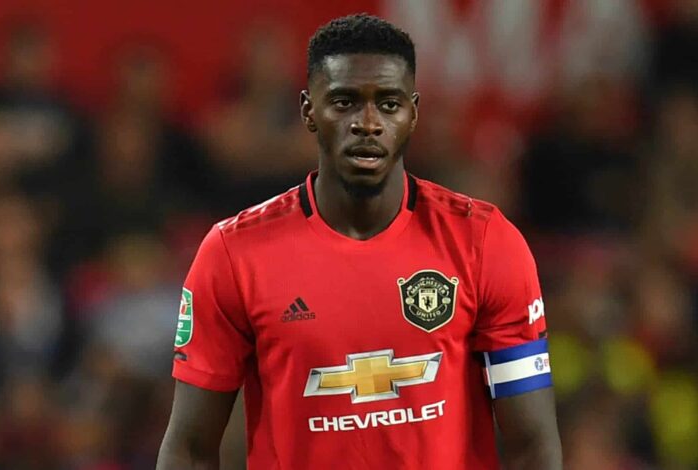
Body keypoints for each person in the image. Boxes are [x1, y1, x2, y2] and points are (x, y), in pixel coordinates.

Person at [157, 14, 562, 470]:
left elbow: (533, 446)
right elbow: (189, 450)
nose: (367, 123)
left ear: (413, 112)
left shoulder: (485, 243)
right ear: (308, 110)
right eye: (344, 102)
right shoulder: (234, 255)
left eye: (388, 104)